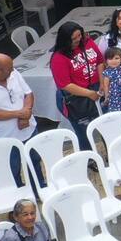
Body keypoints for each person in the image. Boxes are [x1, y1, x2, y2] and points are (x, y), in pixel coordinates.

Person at [49, 21, 103, 150]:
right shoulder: (58, 58)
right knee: (84, 133)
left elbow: (100, 61)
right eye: (74, 38)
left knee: (105, 125)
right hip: (77, 97)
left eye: (80, 36)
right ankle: (89, 159)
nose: (78, 40)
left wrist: (102, 83)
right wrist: (89, 94)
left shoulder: (87, 41)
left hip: (97, 88)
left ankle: (112, 153)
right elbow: (65, 85)